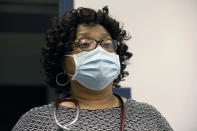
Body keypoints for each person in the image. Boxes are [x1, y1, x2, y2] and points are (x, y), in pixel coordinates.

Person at [12, 6, 173, 131]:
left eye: (107, 44)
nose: (100, 51)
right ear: (62, 62)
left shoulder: (148, 117)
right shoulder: (37, 122)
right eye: (85, 43)